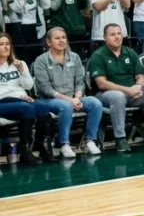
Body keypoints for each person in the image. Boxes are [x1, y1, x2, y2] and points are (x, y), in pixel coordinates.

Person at [90, 23, 144, 152]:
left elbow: (141, 76)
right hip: (105, 95)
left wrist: (138, 87)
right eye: (112, 34)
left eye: (119, 33)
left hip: (131, 92)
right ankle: (120, 138)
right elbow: (102, 83)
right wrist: (128, 90)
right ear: (105, 38)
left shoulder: (130, 52)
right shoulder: (98, 55)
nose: (117, 37)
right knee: (118, 96)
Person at [34, 27, 104, 157]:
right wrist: (70, 100)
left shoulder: (74, 57)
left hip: (73, 98)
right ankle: (64, 144)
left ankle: (89, 141)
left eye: (63, 37)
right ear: (48, 42)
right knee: (65, 106)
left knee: (95, 103)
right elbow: (45, 89)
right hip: (47, 100)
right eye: (57, 38)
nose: (61, 41)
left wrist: (77, 97)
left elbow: (80, 82)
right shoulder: (41, 60)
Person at [0, 33, 44, 164]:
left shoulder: (19, 63)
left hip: (20, 101)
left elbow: (28, 86)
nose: (5, 47)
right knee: (26, 108)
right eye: (1, 44)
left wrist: (22, 71)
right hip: (3, 102)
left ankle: (45, 149)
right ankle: (25, 151)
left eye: (7, 44)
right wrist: (19, 95)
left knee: (43, 108)